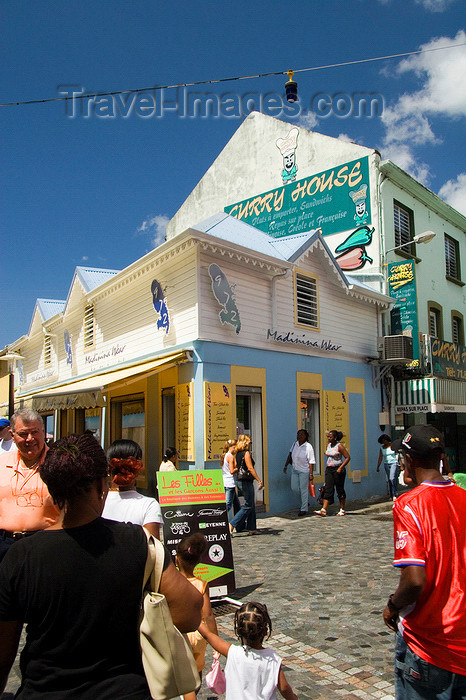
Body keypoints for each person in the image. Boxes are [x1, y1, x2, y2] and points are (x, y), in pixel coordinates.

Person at [0, 433, 203, 699]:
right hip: (125, 690)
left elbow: (3, 655)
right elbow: (190, 613)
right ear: (102, 485)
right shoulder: (136, 543)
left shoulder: (21, 556)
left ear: (50, 488)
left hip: (45, 690)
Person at [383, 425, 466, 699]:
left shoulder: (409, 504)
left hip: (428, 643)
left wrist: (392, 605)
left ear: (408, 460)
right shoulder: (463, 498)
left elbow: (415, 579)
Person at [199, 601, 297, 700]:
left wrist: (192, 615)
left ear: (239, 631)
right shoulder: (272, 658)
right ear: (265, 631)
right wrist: (293, 698)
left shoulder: (232, 652)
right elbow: (284, 688)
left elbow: (208, 635)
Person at [0, 408, 59, 563]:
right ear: (12, 436)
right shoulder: (1, 463)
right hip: (5, 545)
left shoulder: (58, 463)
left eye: (35, 432)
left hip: (46, 544)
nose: (30, 439)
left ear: (44, 432)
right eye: (23, 434)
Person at [176, 533, 219, 700]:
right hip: (198, 635)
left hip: (180, 634)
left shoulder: (171, 581)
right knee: (197, 672)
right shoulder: (201, 584)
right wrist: (215, 640)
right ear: (198, 562)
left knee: (183, 674)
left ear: (177, 559)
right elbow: (208, 615)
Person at [102, 439, 163, 540]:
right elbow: (153, 550)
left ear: (109, 467)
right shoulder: (149, 505)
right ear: (138, 467)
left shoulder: (97, 502)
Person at [229, 435, 263, 534]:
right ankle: (232, 523)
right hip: (246, 480)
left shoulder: (237, 454)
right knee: (248, 505)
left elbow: (236, 466)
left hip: (240, 480)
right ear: (246, 443)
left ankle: (252, 527)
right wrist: (258, 480)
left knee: (251, 504)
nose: (250, 444)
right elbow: (250, 468)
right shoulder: (246, 453)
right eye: (249, 442)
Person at [315, 429, 350, 517]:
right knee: (328, 488)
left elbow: (347, 457)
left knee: (339, 489)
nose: (329, 438)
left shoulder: (339, 446)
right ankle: (324, 509)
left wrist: (341, 468)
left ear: (335, 438)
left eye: (330, 437)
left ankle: (342, 509)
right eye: (328, 437)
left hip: (338, 469)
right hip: (329, 469)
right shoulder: (329, 445)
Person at [283, 429, 316, 516]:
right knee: (294, 488)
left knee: (303, 489)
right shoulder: (295, 444)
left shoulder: (308, 447)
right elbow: (290, 455)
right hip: (295, 469)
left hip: (304, 471)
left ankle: (304, 509)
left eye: (301, 434)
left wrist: (311, 474)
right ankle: (304, 502)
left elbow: (311, 461)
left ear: (306, 436)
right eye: (298, 434)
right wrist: (286, 465)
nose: (299, 436)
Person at [221, 438, 240, 522]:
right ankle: (220, 518)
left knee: (236, 504)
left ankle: (240, 524)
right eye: (236, 447)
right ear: (232, 447)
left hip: (225, 481)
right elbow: (232, 471)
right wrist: (238, 467)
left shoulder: (224, 455)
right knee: (228, 504)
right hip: (230, 483)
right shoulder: (231, 457)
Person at [376, 433, 398, 501]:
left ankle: (395, 493)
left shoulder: (393, 446)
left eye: (385, 441)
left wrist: (401, 464)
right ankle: (391, 494)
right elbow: (380, 457)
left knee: (392, 478)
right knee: (389, 480)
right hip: (386, 464)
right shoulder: (382, 448)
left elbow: (397, 454)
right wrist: (378, 466)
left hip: (394, 463)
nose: (384, 442)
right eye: (382, 441)